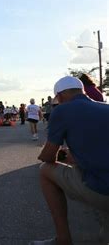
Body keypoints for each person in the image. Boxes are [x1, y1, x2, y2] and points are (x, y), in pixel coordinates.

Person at [33, 76, 109, 245]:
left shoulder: (62, 111)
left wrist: (56, 154)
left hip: (102, 190)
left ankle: (63, 239)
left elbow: (47, 156)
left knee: (45, 169)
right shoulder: (105, 107)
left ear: (59, 96)